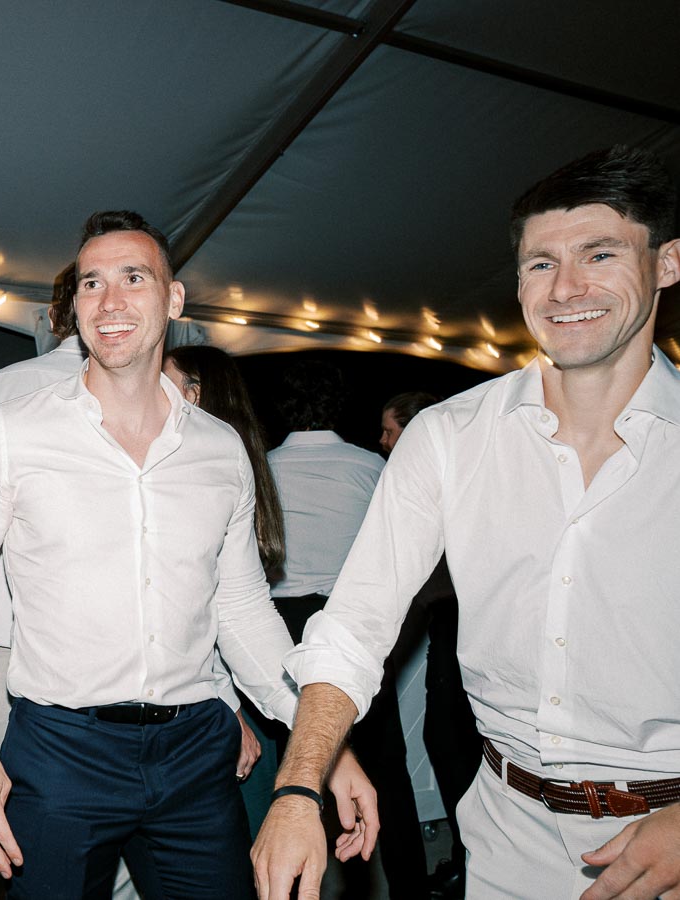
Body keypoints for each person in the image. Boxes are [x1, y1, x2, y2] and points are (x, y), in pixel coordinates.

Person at [252, 146, 680, 899]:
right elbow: (354, 627)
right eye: (540, 264)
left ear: (667, 264)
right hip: (507, 836)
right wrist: (297, 790)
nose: (566, 287)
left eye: (600, 254)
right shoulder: (449, 437)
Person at [0, 212, 376, 897]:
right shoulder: (12, 432)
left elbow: (244, 609)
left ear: (174, 298)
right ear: (72, 308)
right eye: (92, 283)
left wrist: (315, 740)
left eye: (134, 278)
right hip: (60, 752)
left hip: (196, 753)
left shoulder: (221, 449)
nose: (111, 301)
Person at [266, 361, 427, 898]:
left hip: (284, 627)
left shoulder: (261, 468)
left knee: (295, 765)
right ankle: (409, 888)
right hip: (355, 624)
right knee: (386, 767)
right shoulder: (370, 467)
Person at [162, 344, 279, 834]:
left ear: (194, 395)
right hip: (240, 685)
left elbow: (214, 611)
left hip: (231, 685)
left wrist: (226, 704)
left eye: (162, 383)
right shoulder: (249, 460)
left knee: (239, 843)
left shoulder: (214, 471)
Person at [380, 391, 480, 899]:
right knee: (448, 743)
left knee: (454, 743)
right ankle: (466, 859)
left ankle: (471, 862)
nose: (383, 441)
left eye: (391, 431)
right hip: (446, 623)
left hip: (463, 624)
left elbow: (452, 572)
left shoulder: (452, 477)